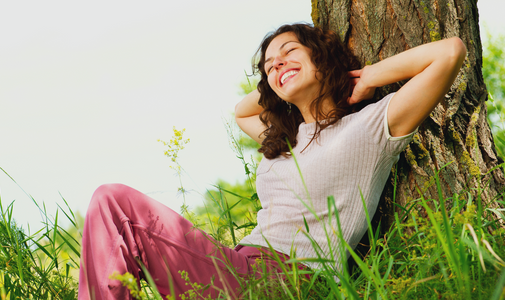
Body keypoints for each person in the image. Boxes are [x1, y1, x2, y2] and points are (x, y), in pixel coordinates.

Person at [78, 23, 466, 299]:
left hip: (288, 279)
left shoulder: (370, 127)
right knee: (112, 207)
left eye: (289, 52)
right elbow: (242, 110)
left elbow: (448, 52)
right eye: (269, 65)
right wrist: (280, 80)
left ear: (323, 57)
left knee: (114, 202)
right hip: (239, 268)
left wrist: (363, 78)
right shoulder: (284, 139)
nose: (277, 64)